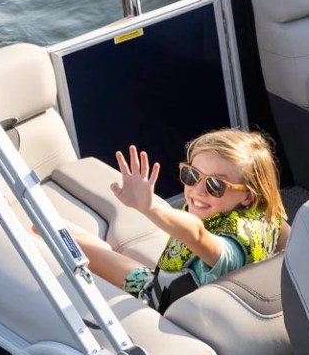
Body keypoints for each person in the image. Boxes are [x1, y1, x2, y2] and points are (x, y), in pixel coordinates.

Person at [67, 129, 286, 310]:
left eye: (215, 185)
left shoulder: (230, 253)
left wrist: (150, 207)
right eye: (192, 175)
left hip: (161, 306)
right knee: (79, 239)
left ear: (248, 196)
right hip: (167, 287)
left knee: (70, 244)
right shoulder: (268, 218)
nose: (198, 190)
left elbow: (197, 235)